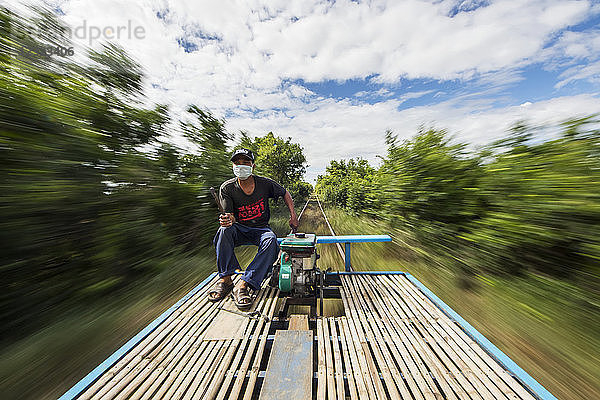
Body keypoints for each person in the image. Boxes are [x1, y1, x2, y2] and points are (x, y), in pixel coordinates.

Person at [208, 148, 299, 309]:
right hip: (239, 228)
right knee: (223, 232)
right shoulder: (227, 188)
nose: (241, 166)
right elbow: (230, 215)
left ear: (253, 166)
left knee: (271, 240)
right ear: (233, 166)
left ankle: (244, 283)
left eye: (245, 163)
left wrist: (293, 215)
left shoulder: (264, 183)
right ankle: (226, 280)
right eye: (237, 163)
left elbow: (285, 193)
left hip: (261, 229)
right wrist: (228, 219)